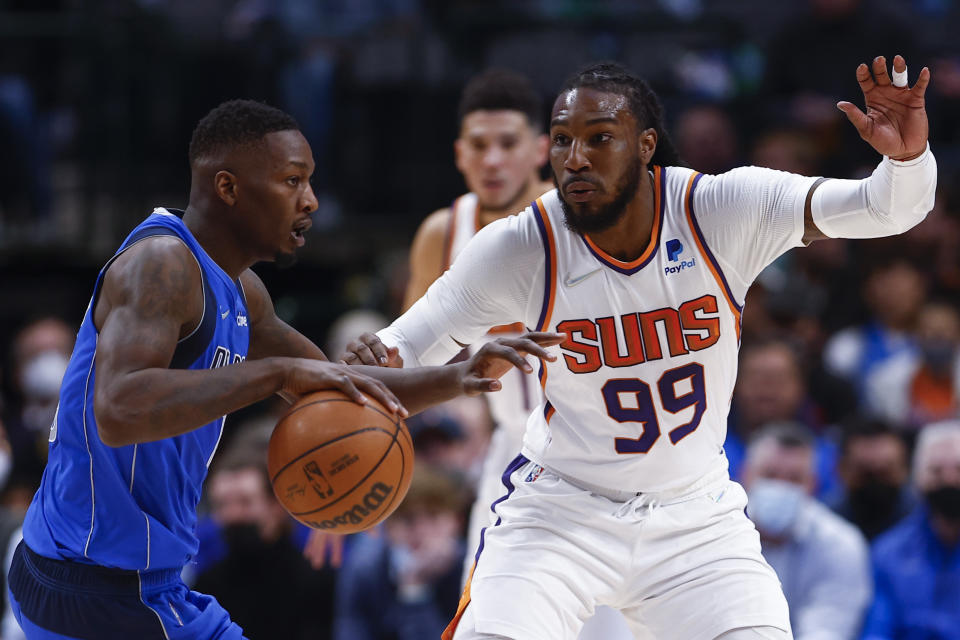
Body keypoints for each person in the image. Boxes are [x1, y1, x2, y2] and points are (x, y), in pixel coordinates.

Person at [345, 55, 937, 639]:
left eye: (599, 138)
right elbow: (408, 341)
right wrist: (355, 376)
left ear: (647, 144)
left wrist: (906, 160)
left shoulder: (721, 209)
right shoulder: (521, 246)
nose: (574, 159)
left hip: (696, 517)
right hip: (561, 513)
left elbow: (883, 208)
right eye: (560, 140)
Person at [6, 99, 561, 640]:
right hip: (95, 585)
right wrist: (275, 375)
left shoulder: (242, 290)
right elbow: (118, 410)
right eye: (292, 181)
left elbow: (337, 394)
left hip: (122, 579)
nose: (312, 200)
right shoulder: (161, 266)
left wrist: (457, 378)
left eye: (310, 181)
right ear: (228, 188)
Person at [193, 440, 335, 640]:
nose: (233, 515)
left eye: (245, 502)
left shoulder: (315, 580)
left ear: (276, 504)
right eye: (222, 504)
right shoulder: (206, 585)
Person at [742, 422, 871, 640]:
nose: (780, 487)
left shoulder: (840, 543)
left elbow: (827, 628)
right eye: (770, 475)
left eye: (794, 479)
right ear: (746, 475)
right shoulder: (712, 535)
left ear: (812, 485)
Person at [333, 464, 470, 640]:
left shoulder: (473, 571)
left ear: (457, 523)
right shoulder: (365, 570)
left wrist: (415, 591)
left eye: (433, 516)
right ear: (388, 528)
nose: (421, 531)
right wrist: (413, 585)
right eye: (408, 519)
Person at [860, 420, 960, 639]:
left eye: (958, 469)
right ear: (917, 478)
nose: (950, 480)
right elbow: (878, 630)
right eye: (936, 471)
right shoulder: (889, 551)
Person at [829, 418, 916, 541]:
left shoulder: (923, 517)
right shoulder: (828, 520)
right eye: (866, 473)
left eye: (884, 472)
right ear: (842, 470)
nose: (876, 482)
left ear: (904, 468)